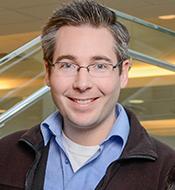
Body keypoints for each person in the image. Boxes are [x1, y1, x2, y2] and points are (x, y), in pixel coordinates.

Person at [0, 0, 175, 189]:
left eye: (100, 66)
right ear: (48, 72)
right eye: (67, 65)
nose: (82, 84)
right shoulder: (5, 155)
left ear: (123, 73)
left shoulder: (167, 171)